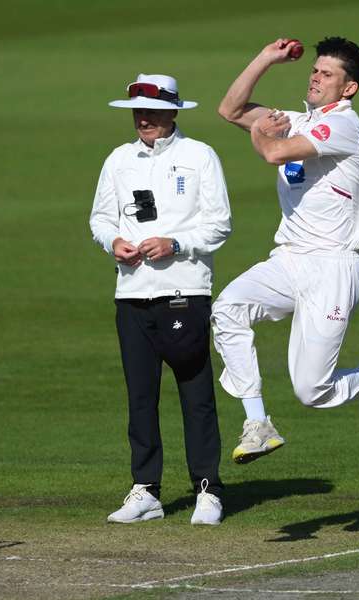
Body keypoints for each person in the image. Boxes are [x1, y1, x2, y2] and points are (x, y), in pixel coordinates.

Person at [213, 37, 359, 464]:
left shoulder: (345, 126)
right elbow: (230, 110)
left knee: (312, 390)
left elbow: (275, 152)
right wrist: (266, 58)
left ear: (348, 88)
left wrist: (264, 133)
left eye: (327, 74)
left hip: (334, 265)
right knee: (227, 308)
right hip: (290, 257)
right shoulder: (298, 120)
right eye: (314, 70)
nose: (315, 78)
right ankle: (258, 424)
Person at [89, 73, 232, 524]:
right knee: (140, 396)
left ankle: (208, 489)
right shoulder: (118, 159)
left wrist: (176, 243)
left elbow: (220, 224)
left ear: (173, 113)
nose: (144, 119)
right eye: (138, 112)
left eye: (152, 112)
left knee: (196, 393)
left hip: (184, 291)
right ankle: (146, 490)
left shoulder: (199, 156)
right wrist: (113, 241)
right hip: (131, 293)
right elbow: (100, 218)